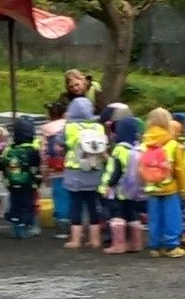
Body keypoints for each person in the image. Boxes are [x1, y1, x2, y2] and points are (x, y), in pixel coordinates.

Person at [62, 97, 109, 250]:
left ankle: (75, 240)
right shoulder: (98, 127)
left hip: (75, 171)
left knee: (76, 206)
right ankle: (95, 240)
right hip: (95, 171)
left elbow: (62, 143)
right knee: (93, 206)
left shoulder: (69, 127)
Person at [140, 108, 185, 258]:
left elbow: (139, 166)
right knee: (172, 217)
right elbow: (179, 169)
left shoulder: (145, 142)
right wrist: (183, 189)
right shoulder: (172, 143)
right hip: (169, 187)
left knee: (154, 217)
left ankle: (155, 247)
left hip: (151, 186)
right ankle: (171, 246)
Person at [99, 116, 145, 254]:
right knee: (133, 214)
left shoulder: (120, 149)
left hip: (119, 189)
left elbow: (116, 170)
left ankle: (118, 244)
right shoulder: (138, 148)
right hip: (134, 189)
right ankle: (136, 244)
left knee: (117, 214)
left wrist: (108, 185)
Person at [2, 117, 42, 239]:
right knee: (27, 206)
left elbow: (4, 166)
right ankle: (24, 230)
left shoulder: (9, 150)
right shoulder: (32, 151)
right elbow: (36, 168)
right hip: (28, 185)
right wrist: (37, 182)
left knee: (15, 206)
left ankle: (15, 230)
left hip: (12, 185)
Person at [41, 101, 69, 238]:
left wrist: (44, 170)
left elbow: (44, 151)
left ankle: (62, 228)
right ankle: (76, 226)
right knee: (73, 196)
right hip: (72, 166)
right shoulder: (70, 124)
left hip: (55, 168)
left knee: (59, 196)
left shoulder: (46, 128)